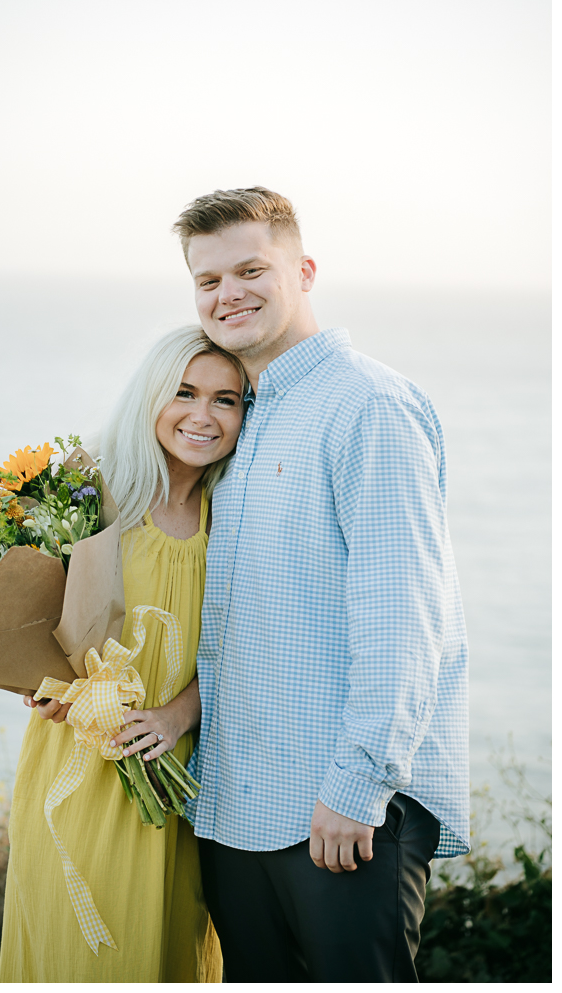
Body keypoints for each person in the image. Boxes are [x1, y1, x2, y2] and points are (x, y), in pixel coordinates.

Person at [172, 187, 470, 983]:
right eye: (208, 281)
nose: (227, 293)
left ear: (302, 271)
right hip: (237, 807)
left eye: (249, 270)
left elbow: (405, 619)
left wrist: (358, 784)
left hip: (339, 809)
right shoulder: (242, 415)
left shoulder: (367, 406)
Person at [0, 326, 246, 983]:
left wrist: (176, 717)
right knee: (81, 953)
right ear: (151, 395)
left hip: (180, 771)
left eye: (227, 400)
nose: (203, 415)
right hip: (79, 762)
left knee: (169, 949)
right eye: (185, 392)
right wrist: (38, 683)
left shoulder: (237, 513)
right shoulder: (92, 491)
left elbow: (250, 647)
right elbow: (31, 621)